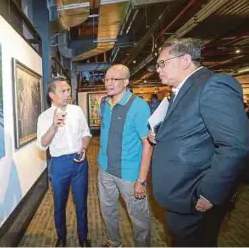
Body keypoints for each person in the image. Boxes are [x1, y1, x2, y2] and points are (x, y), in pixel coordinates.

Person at [148, 38, 249, 246]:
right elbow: (190, 128)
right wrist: (160, 133)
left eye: (162, 63)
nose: (158, 70)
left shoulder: (213, 85)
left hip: (195, 197)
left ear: (185, 60)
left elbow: (235, 145)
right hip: (181, 196)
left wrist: (210, 193)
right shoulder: (182, 91)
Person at [97, 64, 153, 247]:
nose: (108, 83)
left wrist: (141, 180)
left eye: (114, 79)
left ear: (126, 82)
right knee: (107, 210)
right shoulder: (104, 103)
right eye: (106, 79)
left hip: (129, 174)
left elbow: (147, 144)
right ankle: (114, 242)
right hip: (105, 169)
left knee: (139, 218)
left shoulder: (139, 106)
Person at [37, 76, 92, 247]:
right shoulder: (44, 117)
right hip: (59, 165)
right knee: (59, 205)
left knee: (81, 203)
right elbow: (42, 145)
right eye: (64, 91)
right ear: (52, 95)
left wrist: (83, 148)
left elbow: (86, 133)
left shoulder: (76, 110)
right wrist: (53, 126)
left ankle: (83, 238)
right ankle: (61, 237)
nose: (68, 94)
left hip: (79, 162)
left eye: (69, 90)